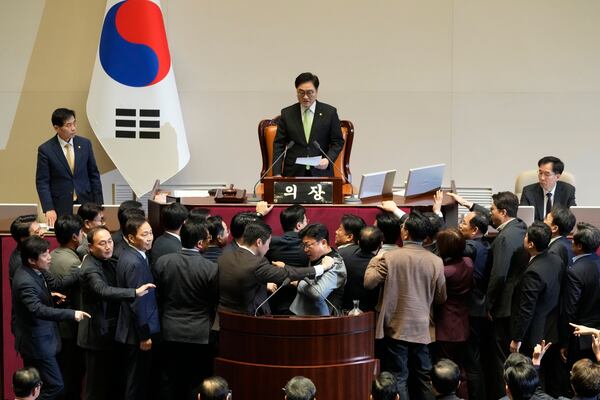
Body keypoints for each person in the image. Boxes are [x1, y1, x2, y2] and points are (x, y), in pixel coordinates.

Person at [449, 191, 530, 398]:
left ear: (503, 212)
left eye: (493, 209)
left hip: (500, 307)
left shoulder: (502, 239)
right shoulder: (519, 226)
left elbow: (499, 275)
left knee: (497, 360)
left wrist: (489, 305)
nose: (490, 213)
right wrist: (468, 204)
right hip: (514, 303)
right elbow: (486, 219)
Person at [365, 210, 447, 400]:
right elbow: (441, 297)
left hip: (396, 326)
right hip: (423, 327)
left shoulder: (390, 258)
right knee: (425, 377)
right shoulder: (436, 261)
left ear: (406, 233)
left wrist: (374, 260)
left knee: (399, 376)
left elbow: (369, 283)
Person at [78, 226, 155, 400]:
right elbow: (102, 290)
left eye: (110, 241)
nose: (108, 247)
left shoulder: (110, 260)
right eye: (102, 243)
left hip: (110, 332)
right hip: (95, 336)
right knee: (95, 387)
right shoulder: (90, 267)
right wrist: (134, 292)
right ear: (90, 247)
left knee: (110, 384)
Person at [11, 236, 90, 400]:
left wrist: (80, 268)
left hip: (43, 339)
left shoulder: (39, 270)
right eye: (45, 255)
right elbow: (37, 309)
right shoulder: (24, 280)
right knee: (56, 386)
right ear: (32, 260)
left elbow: (57, 285)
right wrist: (71, 314)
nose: (50, 257)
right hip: (37, 342)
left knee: (37, 385)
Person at [152, 219, 219, 400]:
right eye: (208, 238)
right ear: (199, 243)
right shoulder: (211, 268)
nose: (209, 240)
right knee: (196, 380)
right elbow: (214, 300)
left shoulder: (163, 262)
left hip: (169, 330)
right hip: (200, 333)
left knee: (169, 379)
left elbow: (158, 296)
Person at [218, 221, 333, 315]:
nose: (268, 248)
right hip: (248, 321)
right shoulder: (256, 263)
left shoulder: (225, 256)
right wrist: (322, 267)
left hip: (224, 318)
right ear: (259, 242)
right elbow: (286, 274)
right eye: (268, 243)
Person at [114, 217, 159, 400]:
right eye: (145, 234)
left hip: (133, 331)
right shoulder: (134, 262)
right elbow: (137, 301)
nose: (149, 238)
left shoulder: (134, 255)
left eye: (150, 233)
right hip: (137, 334)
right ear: (131, 238)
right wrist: (144, 335)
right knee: (136, 383)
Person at [36, 108, 103, 226]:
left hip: (85, 202)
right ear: (56, 128)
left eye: (74, 123)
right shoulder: (46, 150)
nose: (73, 128)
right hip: (60, 203)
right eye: (68, 125)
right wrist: (48, 208)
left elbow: (94, 175)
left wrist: (98, 204)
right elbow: (42, 182)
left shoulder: (85, 144)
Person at [272, 72, 344, 177]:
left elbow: (338, 142)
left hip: (321, 172)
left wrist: (328, 160)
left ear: (316, 91)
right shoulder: (287, 113)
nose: (305, 97)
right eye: (301, 93)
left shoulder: (329, 112)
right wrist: (277, 174)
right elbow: (279, 144)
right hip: (293, 172)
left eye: (310, 92)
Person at [510, 222, 563, 358]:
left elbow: (527, 308)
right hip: (551, 329)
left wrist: (517, 339)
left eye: (526, 236)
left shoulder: (533, 272)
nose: (524, 238)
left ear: (531, 244)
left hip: (533, 334)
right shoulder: (557, 260)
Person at [434, 229, 473, 398]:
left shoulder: (444, 271)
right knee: (461, 370)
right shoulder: (468, 262)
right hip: (463, 323)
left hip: (446, 326)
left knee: (446, 372)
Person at [49, 214, 85, 400]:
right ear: (74, 237)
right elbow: (79, 300)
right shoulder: (74, 263)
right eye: (82, 232)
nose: (84, 236)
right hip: (69, 329)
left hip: (54, 327)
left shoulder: (52, 255)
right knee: (71, 377)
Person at [459, 210, 491, 400]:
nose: (460, 225)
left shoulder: (470, 247)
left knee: (472, 361)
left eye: (463, 222)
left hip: (471, 309)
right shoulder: (485, 244)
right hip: (480, 308)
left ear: (474, 230)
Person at [560, 223, 600, 367]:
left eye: (573, 241)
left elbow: (570, 310)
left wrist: (565, 342)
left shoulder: (574, 272)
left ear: (579, 246)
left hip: (580, 338)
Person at [290, 223, 347, 316]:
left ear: (323, 242)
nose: (305, 250)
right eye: (303, 245)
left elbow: (317, 293)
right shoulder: (315, 257)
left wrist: (298, 283)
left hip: (324, 321)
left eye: (308, 245)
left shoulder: (336, 264)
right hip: (304, 315)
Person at [265, 204, 309, 314]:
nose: (308, 223)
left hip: (273, 301)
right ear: (299, 226)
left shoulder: (269, 243)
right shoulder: (309, 246)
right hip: (302, 303)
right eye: (306, 221)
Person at [520, 156, 576, 221]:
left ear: (557, 177)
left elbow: (571, 217)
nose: (542, 178)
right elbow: (524, 219)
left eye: (547, 174)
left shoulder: (568, 190)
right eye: (540, 173)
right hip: (537, 229)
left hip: (558, 229)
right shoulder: (528, 191)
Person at [342, 226, 382, 312]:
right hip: (370, 315)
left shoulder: (344, 259)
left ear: (358, 242)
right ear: (381, 244)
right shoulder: (380, 266)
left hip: (346, 314)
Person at [9, 215, 45, 285]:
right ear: (24, 239)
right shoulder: (20, 263)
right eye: (37, 232)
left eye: (40, 228)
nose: (42, 233)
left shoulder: (32, 252)